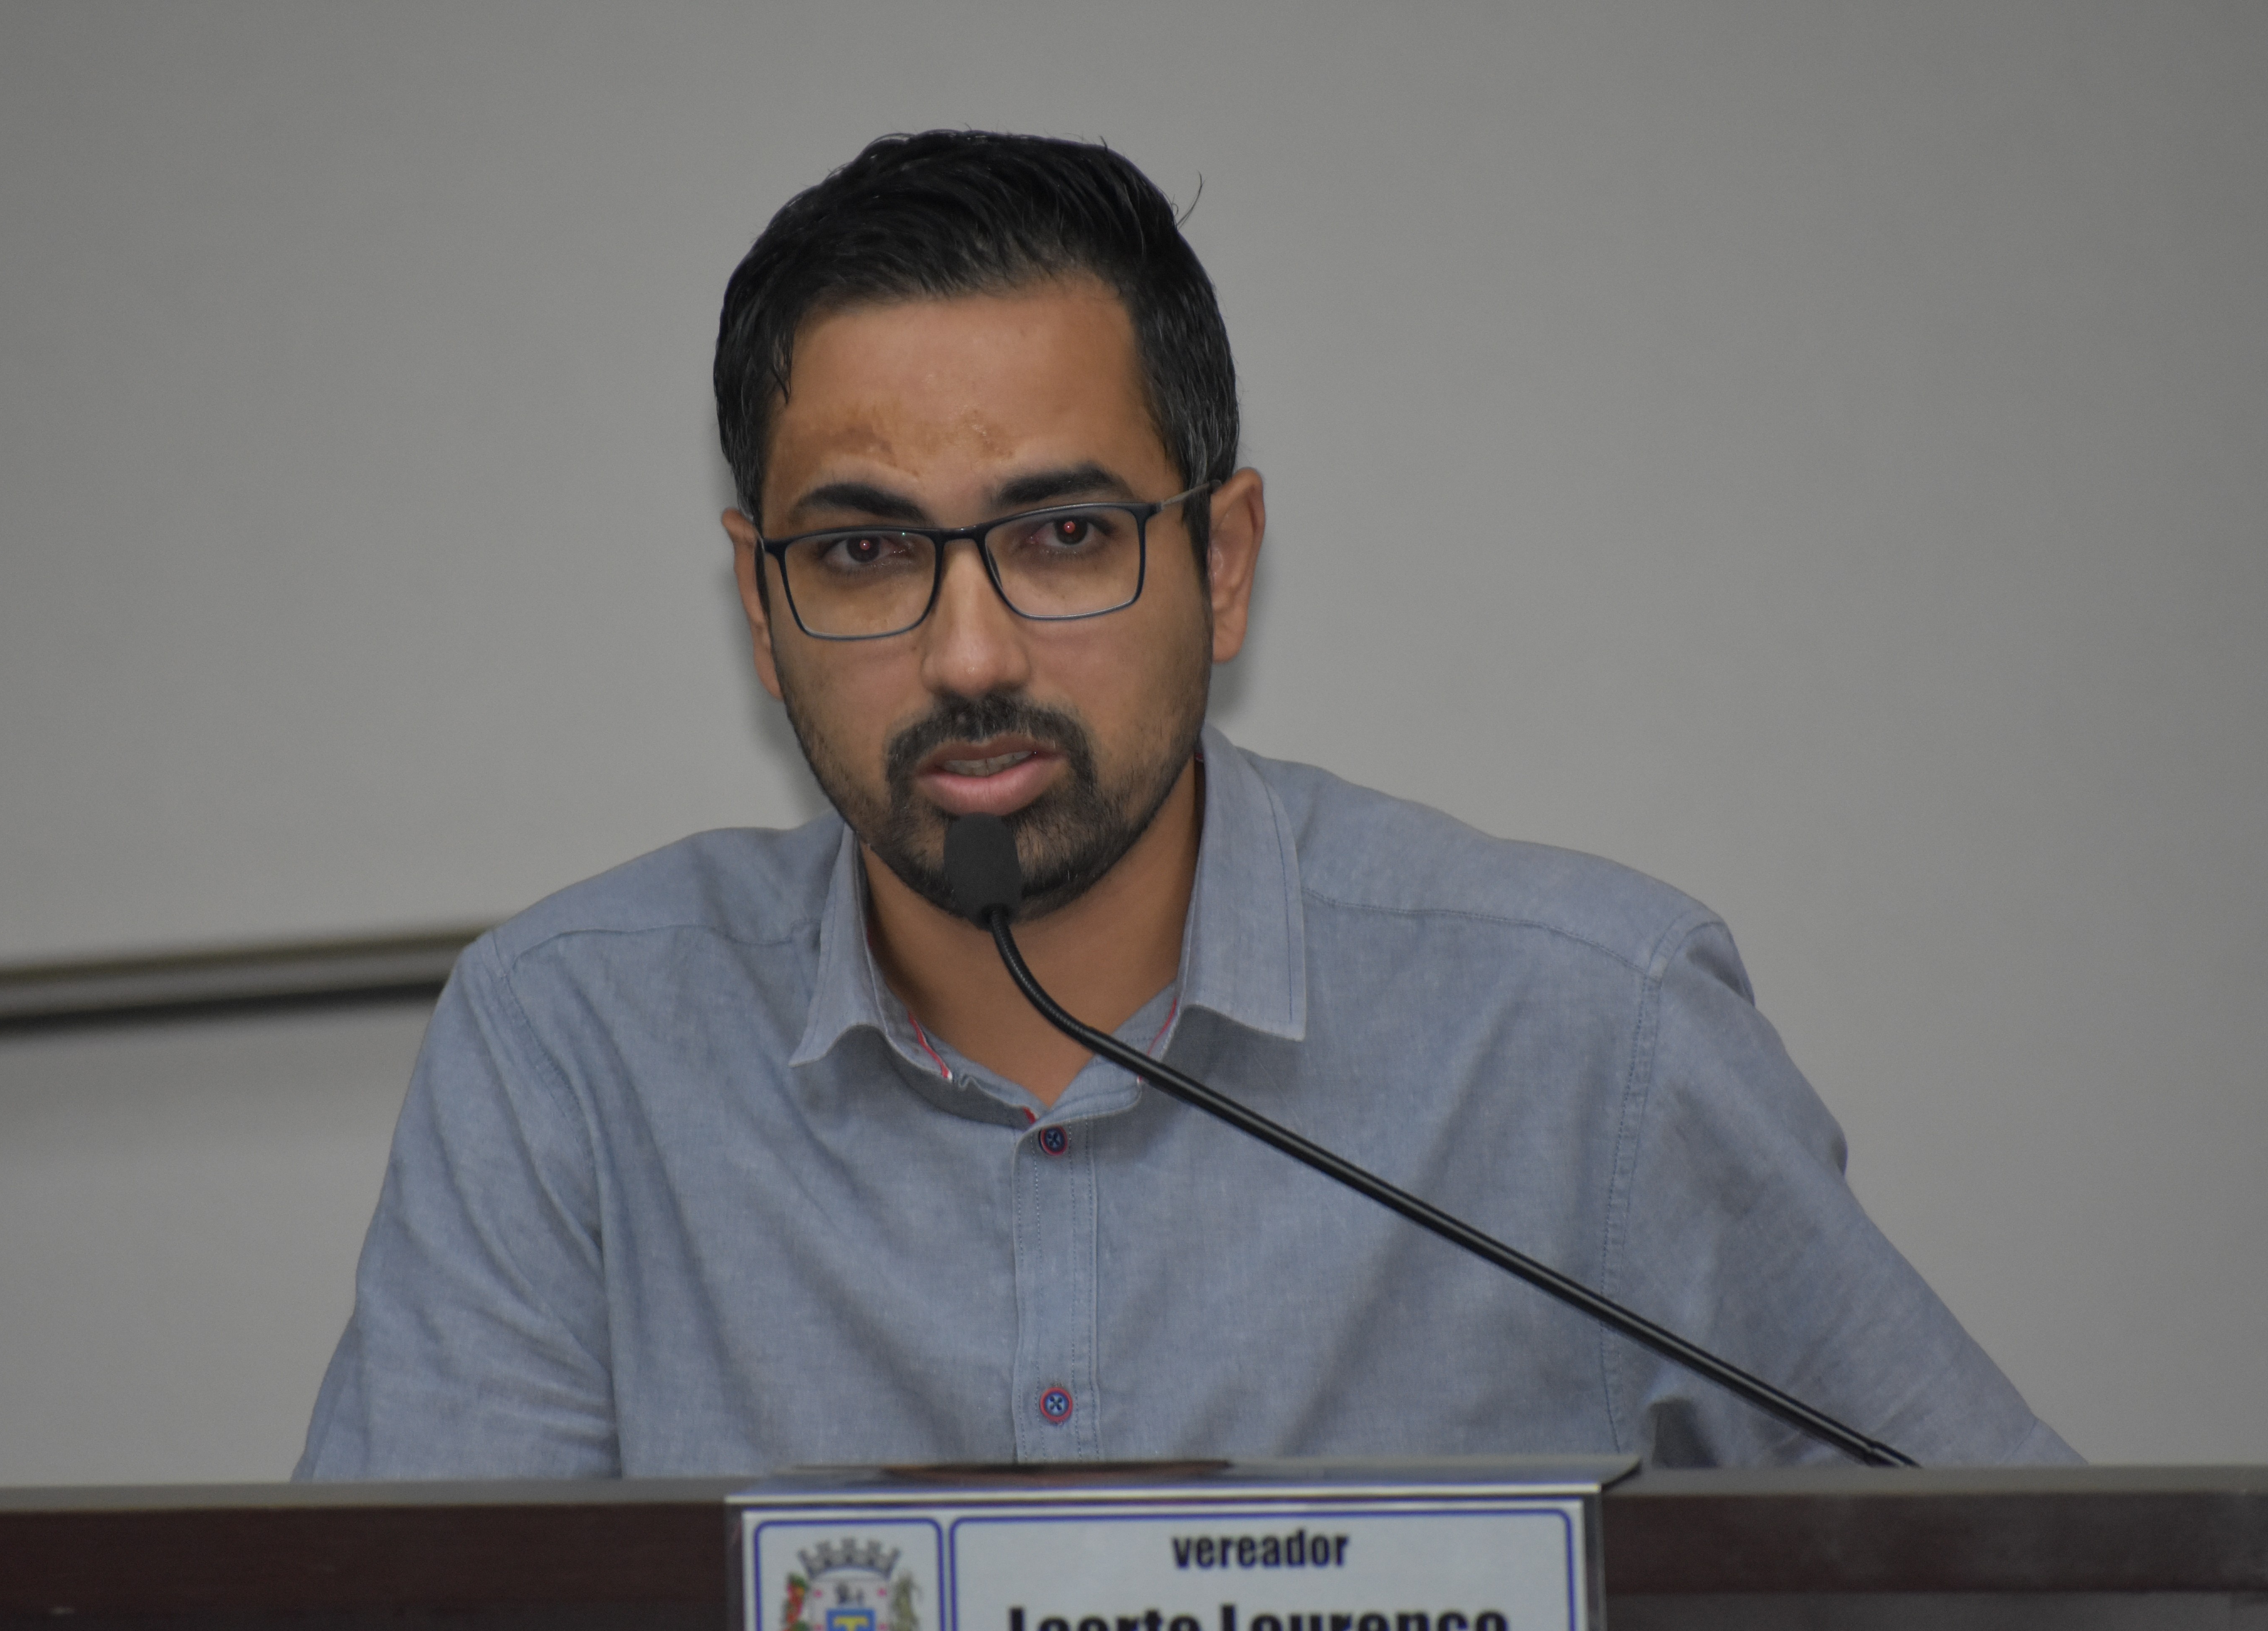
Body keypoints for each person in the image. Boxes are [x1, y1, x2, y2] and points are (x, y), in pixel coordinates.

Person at [297, 130, 2073, 1478]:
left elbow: (2024, 1606)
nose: (970, 654)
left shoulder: (1588, 1033)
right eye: (864, 556)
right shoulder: (570, 1051)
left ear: (1222, 565)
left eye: (1066, 535)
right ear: (761, 610)